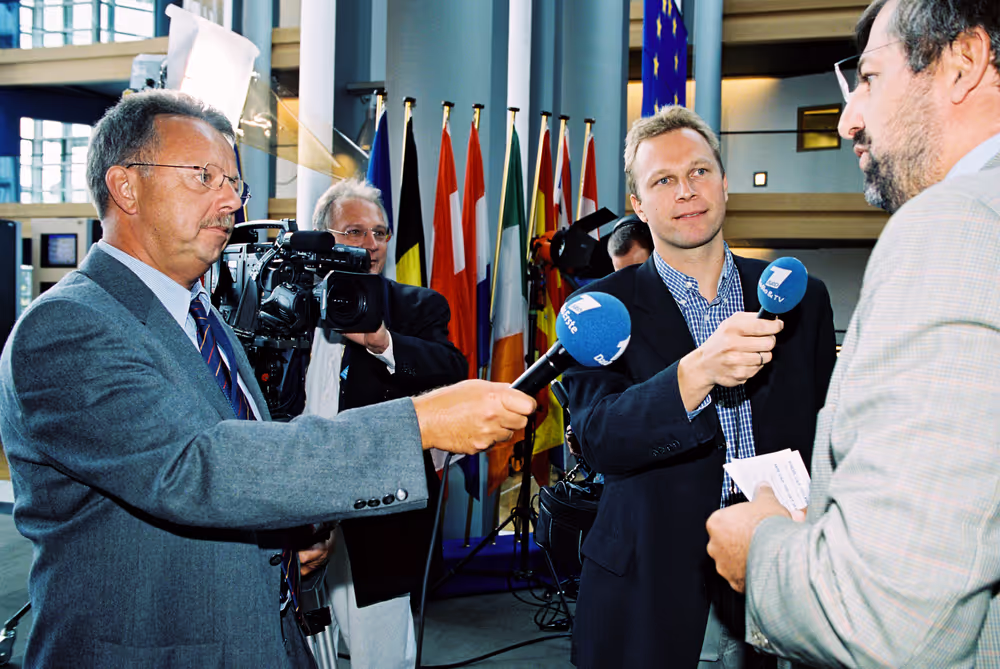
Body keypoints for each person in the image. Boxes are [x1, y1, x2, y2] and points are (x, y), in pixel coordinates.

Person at [0, 89, 535, 668]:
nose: (231, 199)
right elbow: (197, 467)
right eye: (205, 176)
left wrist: (286, 538)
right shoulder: (68, 327)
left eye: (234, 182)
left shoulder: (202, 319)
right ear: (125, 186)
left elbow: (243, 468)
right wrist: (419, 423)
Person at [706, 1, 1000, 666]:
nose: (848, 119)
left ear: (963, 64)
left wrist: (765, 549)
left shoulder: (954, 227)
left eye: (868, 78)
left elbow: (884, 618)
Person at [562, 105, 837, 669]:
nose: (686, 191)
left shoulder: (800, 296)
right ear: (639, 205)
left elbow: (828, 431)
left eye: (699, 172)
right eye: (663, 180)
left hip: (776, 568)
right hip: (649, 583)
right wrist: (695, 373)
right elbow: (598, 439)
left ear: (724, 182)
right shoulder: (598, 309)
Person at [302, 178, 467, 669]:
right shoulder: (289, 308)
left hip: (380, 512)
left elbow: (451, 368)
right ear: (325, 237)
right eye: (355, 232)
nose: (371, 245)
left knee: (382, 649)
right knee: (304, 644)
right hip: (298, 497)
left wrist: (381, 340)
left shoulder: (416, 306)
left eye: (380, 232)